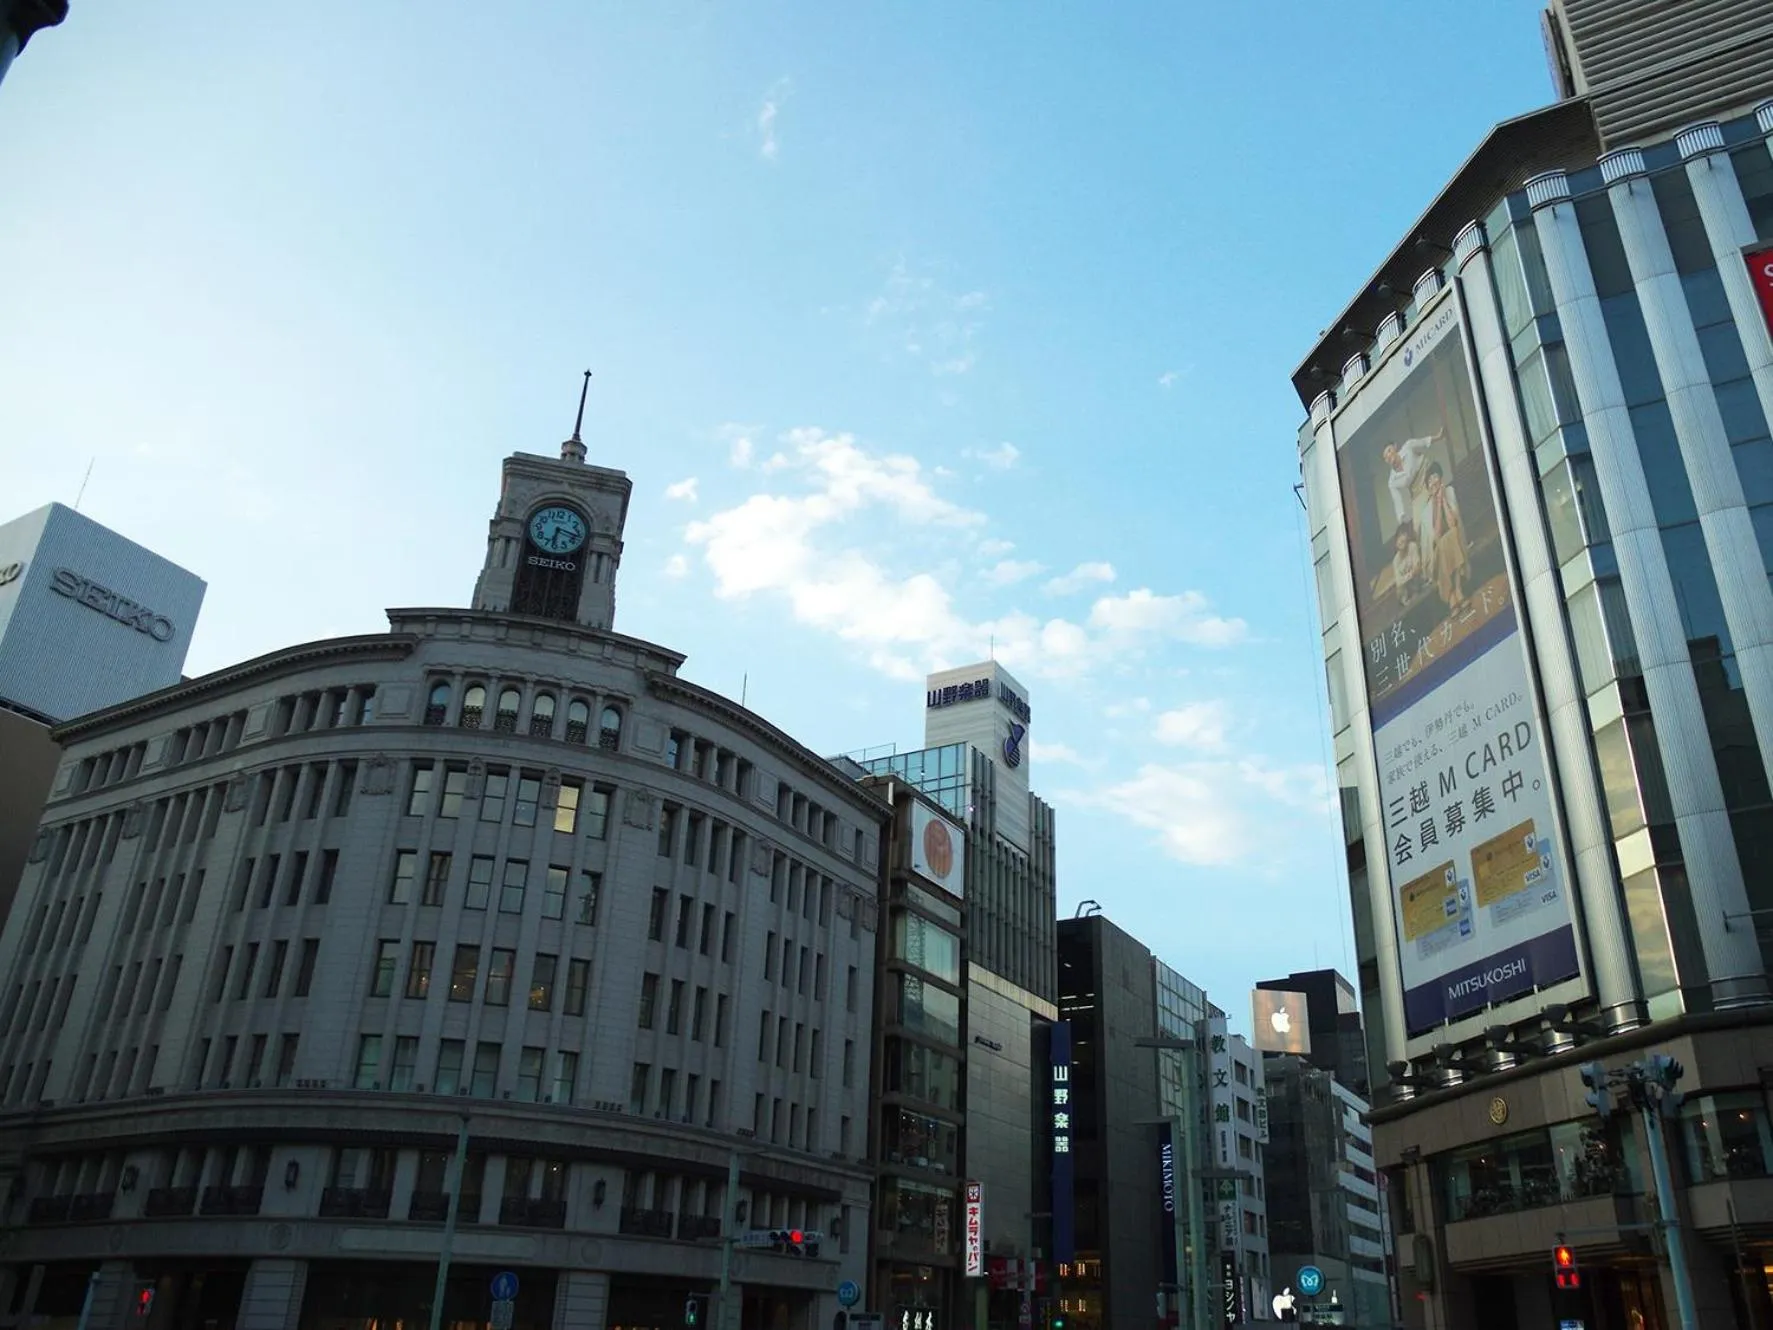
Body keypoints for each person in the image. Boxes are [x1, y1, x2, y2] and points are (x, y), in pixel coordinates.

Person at [1426, 461, 1469, 613]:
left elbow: (1452, 524)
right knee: (1444, 543)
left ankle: (1454, 593)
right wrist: (1436, 502)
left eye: (1435, 477)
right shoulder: (1428, 508)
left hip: (1456, 538)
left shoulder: (1449, 491)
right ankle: (1455, 592)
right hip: (1439, 551)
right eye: (1429, 480)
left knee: (1451, 536)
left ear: (1441, 479)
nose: (1433, 481)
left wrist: (1443, 499)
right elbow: (1437, 536)